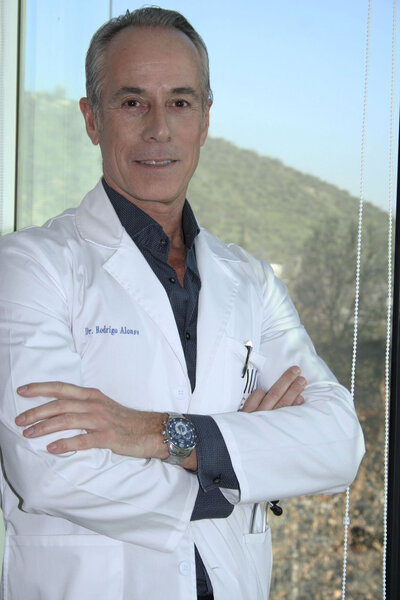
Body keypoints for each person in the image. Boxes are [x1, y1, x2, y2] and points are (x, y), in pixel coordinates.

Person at [0, 8, 364, 600]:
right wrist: (238, 464)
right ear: (92, 119)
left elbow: (338, 442)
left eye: (180, 102)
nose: (159, 129)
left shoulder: (251, 279)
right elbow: (51, 470)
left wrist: (158, 435)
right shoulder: (29, 267)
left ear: (205, 120)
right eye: (132, 102)